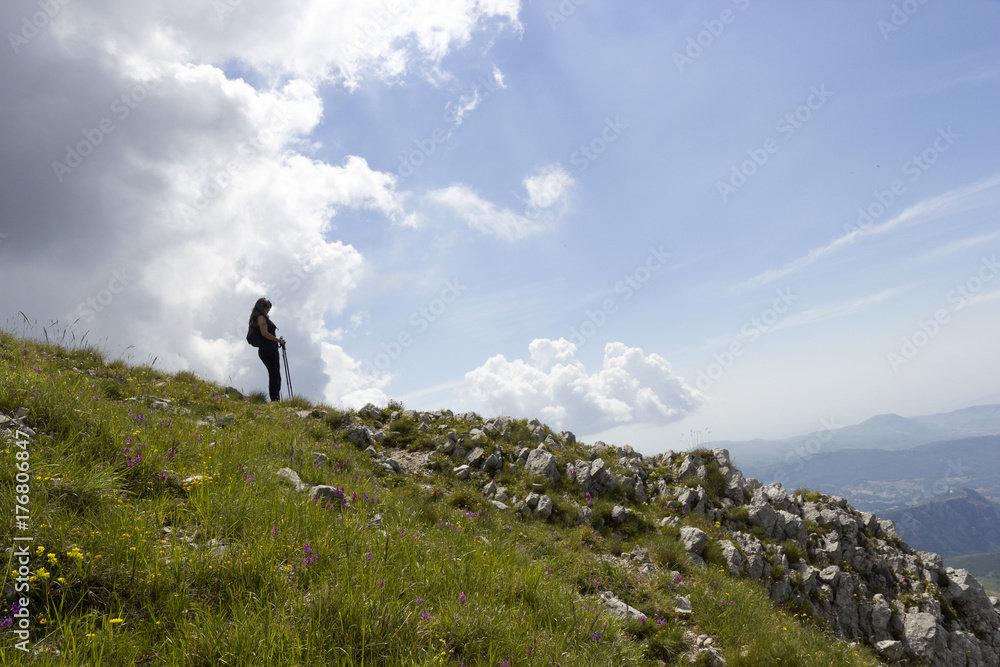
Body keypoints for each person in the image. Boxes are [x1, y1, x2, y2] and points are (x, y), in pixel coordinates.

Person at [250, 298, 286, 401]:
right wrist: (278, 340)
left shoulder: (259, 317)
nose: (268, 310)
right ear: (264, 307)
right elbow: (264, 333)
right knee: (275, 375)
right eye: (267, 308)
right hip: (268, 349)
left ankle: (275, 399)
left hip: (269, 349)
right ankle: (275, 400)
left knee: (275, 374)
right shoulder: (261, 317)